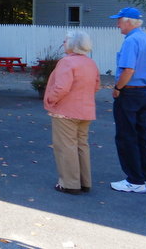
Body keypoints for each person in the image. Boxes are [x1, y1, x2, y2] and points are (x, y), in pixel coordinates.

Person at [108, 7, 146, 193]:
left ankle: (134, 180)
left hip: (129, 92)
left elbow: (128, 70)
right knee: (140, 135)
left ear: (129, 21)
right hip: (143, 91)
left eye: (119, 20)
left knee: (126, 135)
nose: (117, 24)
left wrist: (117, 88)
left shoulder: (131, 41)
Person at [43, 30, 100, 195]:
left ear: (73, 44)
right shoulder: (91, 63)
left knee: (66, 146)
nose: (63, 43)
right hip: (86, 110)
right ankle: (84, 182)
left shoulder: (66, 62)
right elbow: (96, 86)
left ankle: (69, 183)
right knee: (82, 145)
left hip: (65, 111)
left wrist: (50, 100)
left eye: (65, 41)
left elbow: (61, 87)